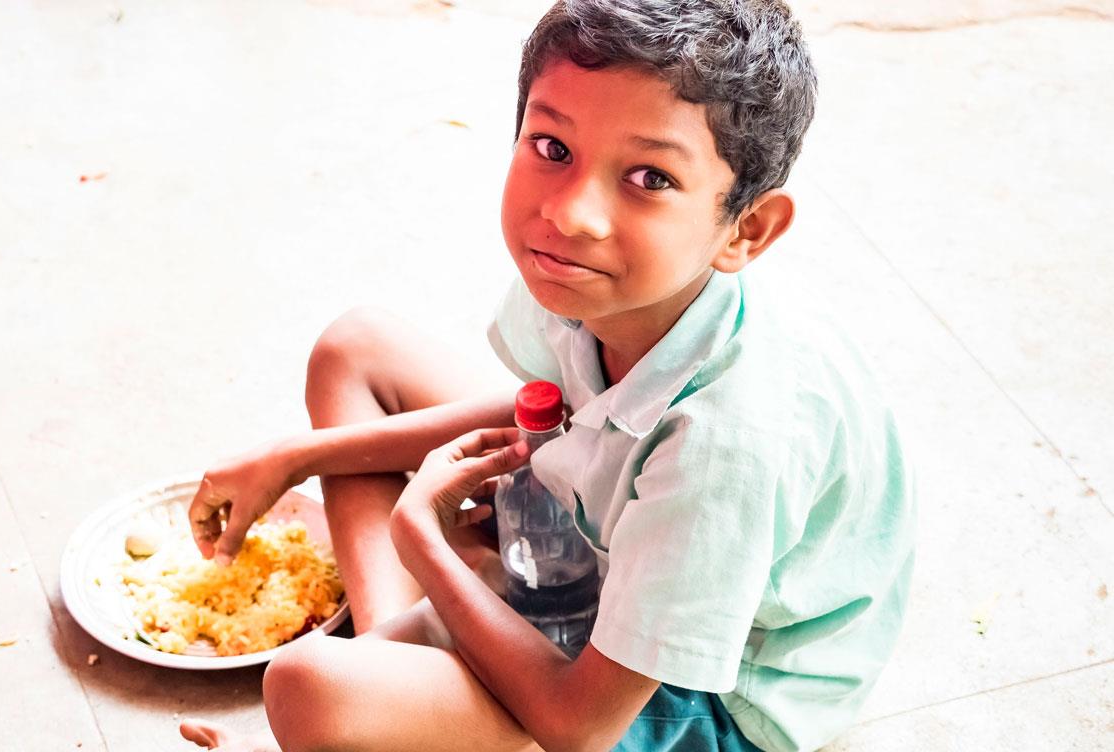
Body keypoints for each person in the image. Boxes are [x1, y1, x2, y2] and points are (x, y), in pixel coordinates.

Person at [179, 1, 916, 750]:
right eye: (553, 146)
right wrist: (293, 458)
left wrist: (425, 546)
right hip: (610, 548)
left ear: (744, 230)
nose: (571, 213)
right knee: (355, 349)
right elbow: (551, 408)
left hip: (712, 698)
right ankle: (398, 684)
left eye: (649, 177)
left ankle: (393, 699)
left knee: (306, 686)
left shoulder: (727, 445)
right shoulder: (596, 279)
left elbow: (583, 727)